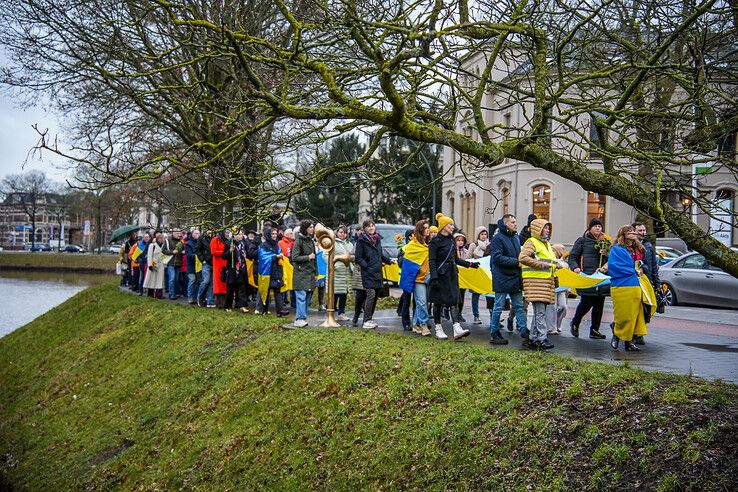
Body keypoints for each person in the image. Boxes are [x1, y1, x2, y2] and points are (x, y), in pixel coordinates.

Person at [428, 213, 478, 340]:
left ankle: (457, 328)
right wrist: (434, 277)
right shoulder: (435, 242)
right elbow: (432, 261)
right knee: (438, 302)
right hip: (439, 275)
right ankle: (438, 328)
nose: (452, 226)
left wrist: (471, 264)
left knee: (453, 301)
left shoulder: (451, 240)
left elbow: (456, 259)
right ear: (443, 226)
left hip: (451, 274)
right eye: (450, 224)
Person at [519, 218, 562, 350]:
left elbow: (548, 261)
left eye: (549, 228)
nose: (548, 230)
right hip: (536, 282)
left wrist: (556, 264)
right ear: (538, 229)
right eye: (545, 228)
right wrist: (542, 265)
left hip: (545, 283)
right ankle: (542, 339)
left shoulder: (546, 245)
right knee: (540, 312)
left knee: (539, 312)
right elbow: (522, 258)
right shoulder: (532, 242)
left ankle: (533, 338)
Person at [488, 214, 529, 346]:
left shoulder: (516, 237)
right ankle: (495, 332)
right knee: (498, 306)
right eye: (512, 222)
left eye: (515, 222)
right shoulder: (498, 238)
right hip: (502, 277)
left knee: (519, 306)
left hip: (514, 277)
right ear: (506, 224)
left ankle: (524, 331)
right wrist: (516, 262)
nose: (516, 224)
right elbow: (497, 257)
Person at [567, 218, 610, 340]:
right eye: (595, 226)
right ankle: (575, 322)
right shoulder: (582, 241)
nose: (598, 228)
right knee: (587, 301)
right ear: (589, 228)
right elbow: (572, 257)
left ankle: (595, 330)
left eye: (600, 226)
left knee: (599, 303)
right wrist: (575, 268)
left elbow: (611, 259)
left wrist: (607, 254)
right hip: (587, 277)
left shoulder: (606, 242)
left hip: (601, 277)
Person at [608, 225, 648, 352]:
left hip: (635, 284)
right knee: (623, 314)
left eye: (633, 232)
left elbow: (644, 264)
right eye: (629, 232)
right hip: (621, 285)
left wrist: (641, 268)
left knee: (634, 315)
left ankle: (629, 342)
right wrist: (634, 269)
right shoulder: (617, 249)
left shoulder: (638, 249)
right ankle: (617, 332)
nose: (632, 234)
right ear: (623, 235)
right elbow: (614, 266)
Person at [354, 219, 394, 329]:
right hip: (368, 273)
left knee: (375, 296)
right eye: (368, 226)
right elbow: (358, 258)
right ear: (365, 229)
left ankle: (370, 318)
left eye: (373, 226)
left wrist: (389, 261)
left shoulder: (377, 239)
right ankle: (366, 320)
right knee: (370, 295)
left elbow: (380, 254)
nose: (371, 228)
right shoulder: (361, 241)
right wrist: (366, 266)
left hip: (377, 272)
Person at [633, 222, 660, 345]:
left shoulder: (648, 246)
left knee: (647, 309)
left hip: (647, 281)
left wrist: (656, 284)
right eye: (640, 231)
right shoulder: (630, 247)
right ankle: (636, 334)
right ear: (633, 231)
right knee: (638, 309)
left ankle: (638, 332)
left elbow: (653, 266)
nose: (643, 233)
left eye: (644, 230)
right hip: (635, 281)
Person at [407, 219, 432, 337]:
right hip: (418, 278)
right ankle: (424, 325)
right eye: (426, 228)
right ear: (420, 230)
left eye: (428, 228)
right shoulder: (413, 245)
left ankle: (415, 324)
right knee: (422, 302)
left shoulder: (427, 244)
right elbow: (409, 261)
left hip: (427, 277)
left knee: (422, 302)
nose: (428, 230)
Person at [290, 220, 317, 328]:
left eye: (312, 227)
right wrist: (308, 257)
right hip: (300, 274)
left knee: (308, 297)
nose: (312, 229)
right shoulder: (298, 241)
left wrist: (316, 273)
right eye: (310, 227)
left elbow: (315, 259)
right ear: (305, 228)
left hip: (310, 274)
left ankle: (303, 317)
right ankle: (299, 318)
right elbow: (294, 257)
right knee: (301, 297)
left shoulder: (311, 241)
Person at [258, 227, 288, 316]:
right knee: (266, 292)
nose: (275, 235)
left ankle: (280, 311)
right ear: (268, 235)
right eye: (272, 234)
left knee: (277, 291)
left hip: (277, 271)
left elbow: (279, 253)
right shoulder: (263, 245)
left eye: (275, 233)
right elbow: (263, 257)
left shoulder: (276, 245)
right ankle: (264, 310)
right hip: (267, 273)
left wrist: (280, 256)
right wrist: (276, 256)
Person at [468, 226, 489, 324]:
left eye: (485, 234)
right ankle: (476, 315)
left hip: (487, 273)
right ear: (478, 235)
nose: (484, 236)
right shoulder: (473, 245)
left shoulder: (489, 245)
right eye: (482, 234)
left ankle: (493, 316)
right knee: (475, 295)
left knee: (489, 295)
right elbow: (468, 258)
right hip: (476, 273)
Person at [224, 229, 249, 312]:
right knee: (230, 288)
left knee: (242, 288)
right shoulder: (229, 244)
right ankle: (228, 306)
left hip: (241, 268)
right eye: (239, 234)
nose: (241, 236)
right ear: (234, 236)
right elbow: (223, 256)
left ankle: (242, 306)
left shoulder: (243, 244)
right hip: (232, 269)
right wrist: (230, 251)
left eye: (242, 234)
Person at [547, 244, 570, 335]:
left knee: (563, 307)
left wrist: (569, 288)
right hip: (552, 288)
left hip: (562, 289)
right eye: (562, 249)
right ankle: (551, 327)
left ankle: (558, 324)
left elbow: (569, 276)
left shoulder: (565, 264)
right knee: (552, 307)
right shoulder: (551, 261)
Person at [333, 225, 354, 321]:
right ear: (337, 232)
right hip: (336, 271)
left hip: (346, 271)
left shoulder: (349, 244)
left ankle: (341, 313)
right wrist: (333, 265)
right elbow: (326, 256)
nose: (343, 234)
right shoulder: (333, 243)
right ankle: (331, 312)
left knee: (344, 293)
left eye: (345, 233)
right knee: (335, 293)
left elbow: (353, 255)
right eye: (341, 232)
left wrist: (351, 259)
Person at [396, 229, 415, 330]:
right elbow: (400, 263)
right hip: (406, 278)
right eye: (414, 235)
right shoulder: (403, 248)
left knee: (417, 301)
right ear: (410, 237)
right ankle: (406, 323)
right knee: (406, 302)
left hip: (417, 277)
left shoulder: (419, 246)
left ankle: (417, 322)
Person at [210, 228, 231, 308]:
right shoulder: (216, 240)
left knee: (226, 283)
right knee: (219, 283)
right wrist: (226, 252)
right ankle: (219, 303)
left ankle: (226, 303)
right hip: (218, 264)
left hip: (227, 264)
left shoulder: (229, 240)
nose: (227, 234)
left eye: (229, 232)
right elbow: (213, 252)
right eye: (226, 232)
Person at [143, 231, 165, 298]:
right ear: (158, 239)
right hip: (153, 265)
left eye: (163, 238)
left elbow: (163, 255)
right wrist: (150, 265)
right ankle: (150, 294)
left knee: (159, 281)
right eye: (161, 238)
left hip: (161, 265)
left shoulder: (164, 246)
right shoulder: (152, 245)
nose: (162, 240)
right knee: (151, 280)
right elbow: (149, 255)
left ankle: (158, 295)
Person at [162, 230, 184, 299]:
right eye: (177, 233)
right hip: (170, 263)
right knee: (172, 278)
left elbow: (181, 251)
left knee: (176, 279)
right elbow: (163, 250)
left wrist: (182, 252)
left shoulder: (181, 242)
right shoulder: (167, 241)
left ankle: (175, 293)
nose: (179, 234)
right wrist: (172, 252)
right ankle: (171, 294)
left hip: (178, 263)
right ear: (173, 234)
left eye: (179, 233)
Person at [196, 229, 215, 307]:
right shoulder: (202, 238)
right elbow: (198, 249)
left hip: (214, 262)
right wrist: (202, 260)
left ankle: (210, 301)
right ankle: (199, 297)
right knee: (206, 281)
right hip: (206, 262)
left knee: (212, 282)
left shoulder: (215, 237)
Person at [185, 229, 200, 304]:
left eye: (198, 233)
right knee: (192, 280)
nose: (197, 234)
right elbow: (189, 255)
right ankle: (190, 297)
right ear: (192, 234)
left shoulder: (200, 242)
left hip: (198, 266)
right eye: (196, 233)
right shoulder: (188, 243)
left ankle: (196, 297)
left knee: (197, 281)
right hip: (191, 265)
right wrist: (198, 256)